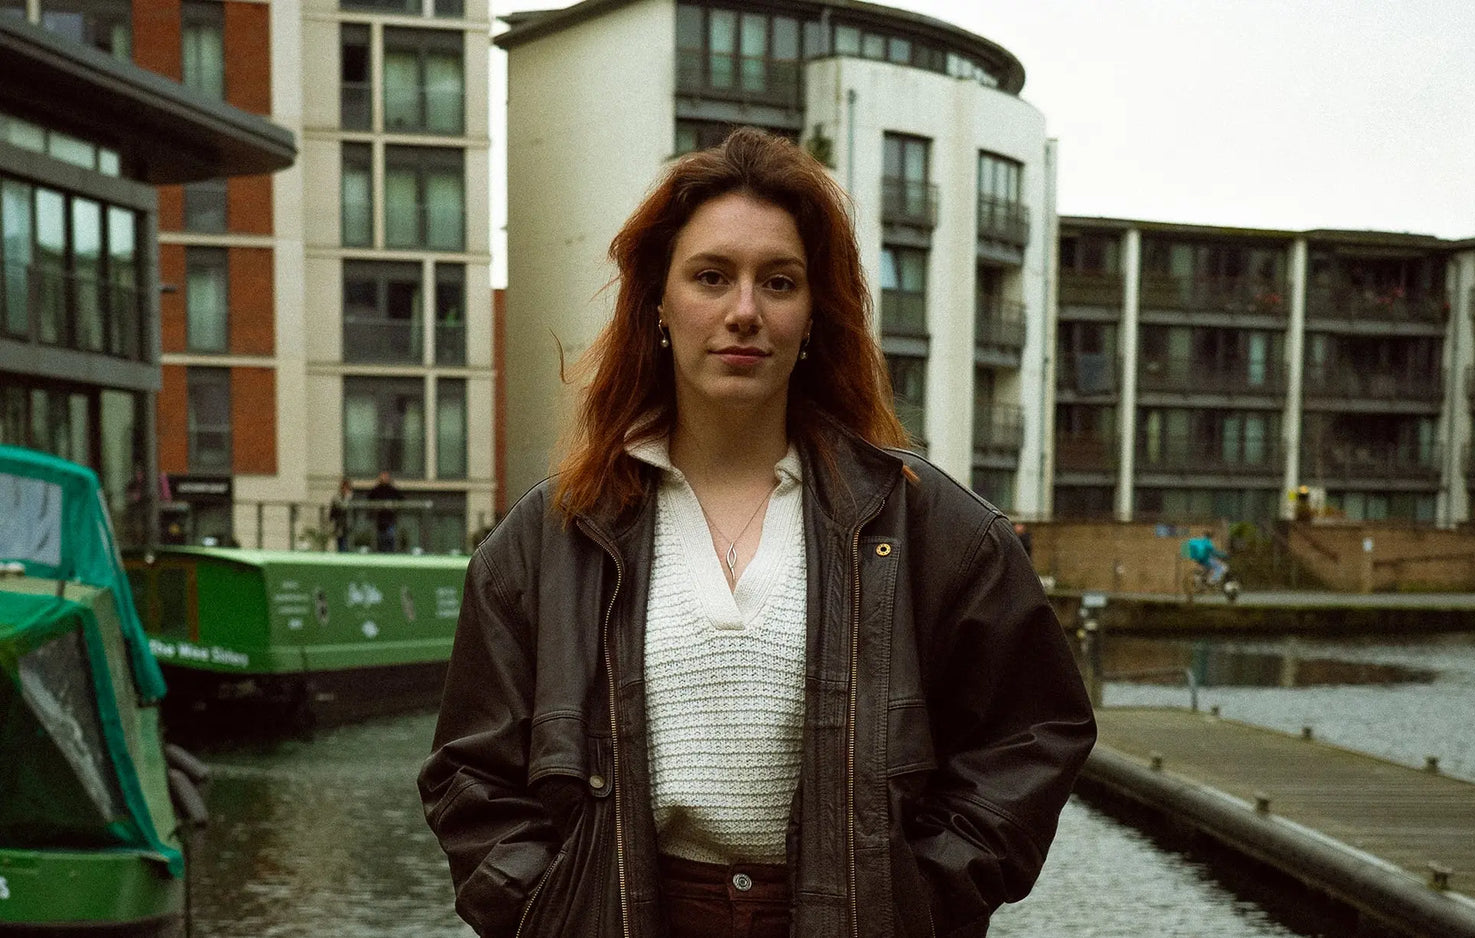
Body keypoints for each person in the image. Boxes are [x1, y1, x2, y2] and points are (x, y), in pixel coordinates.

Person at [418, 128, 1096, 938]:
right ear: (659, 304)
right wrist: (551, 910)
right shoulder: (549, 541)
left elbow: (1033, 735)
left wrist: (919, 898)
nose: (744, 312)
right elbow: (469, 775)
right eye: (711, 277)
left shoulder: (927, 526)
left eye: (778, 282)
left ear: (813, 315)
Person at [367, 470, 402, 553]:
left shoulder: (392, 490)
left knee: (390, 538)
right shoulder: (376, 490)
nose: (384, 479)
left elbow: (401, 499)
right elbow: (369, 499)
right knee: (380, 540)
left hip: (390, 519)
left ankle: (390, 554)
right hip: (379, 520)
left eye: (386, 477)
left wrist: (393, 506)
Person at [329, 478, 353, 552]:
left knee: (347, 542)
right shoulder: (336, 498)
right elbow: (332, 512)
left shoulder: (351, 498)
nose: (344, 489)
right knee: (340, 542)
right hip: (339, 524)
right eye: (343, 487)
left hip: (348, 523)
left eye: (346, 487)